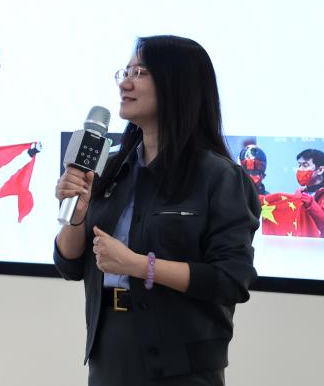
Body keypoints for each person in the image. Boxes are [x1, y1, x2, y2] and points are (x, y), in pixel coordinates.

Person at [54, 35, 260, 386]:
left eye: (140, 72)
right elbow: (70, 265)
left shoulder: (220, 177)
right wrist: (76, 216)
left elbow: (231, 280)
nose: (125, 83)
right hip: (109, 353)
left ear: (176, 84)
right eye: (125, 72)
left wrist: (138, 266)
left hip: (182, 364)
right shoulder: (111, 169)